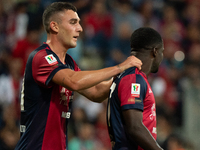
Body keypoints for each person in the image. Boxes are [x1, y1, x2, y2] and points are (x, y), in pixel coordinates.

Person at [14, 2, 142, 150]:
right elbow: (73, 81)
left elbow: (96, 92)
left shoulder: (69, 63)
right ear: (55, 26)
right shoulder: (41, 57)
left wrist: (123, 77)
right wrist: (119, 67)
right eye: (73, 22)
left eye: (79, 23)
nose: (80, 29)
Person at [107, 27, 164, 150]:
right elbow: (135, 127)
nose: (162, 57)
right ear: (155, 51)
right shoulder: (133, 79)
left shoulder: (132, 77)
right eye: (162, 52)